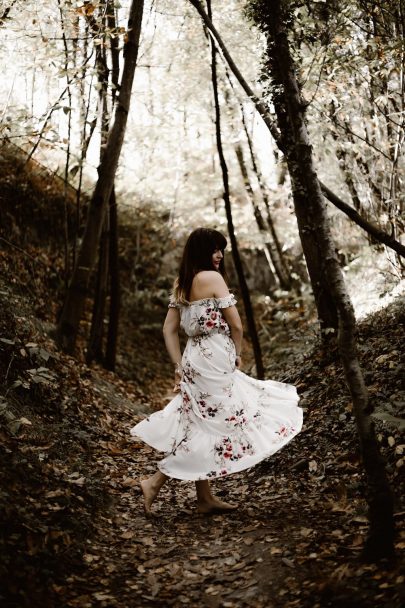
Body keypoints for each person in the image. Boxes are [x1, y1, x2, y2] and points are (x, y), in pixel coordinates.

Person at [130, 227, 303, 516]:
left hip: (194, 359)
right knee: (217, 421)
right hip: (215, 358)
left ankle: (205, 498)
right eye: (214, 249)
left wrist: (177, 366)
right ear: (202, 251)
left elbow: (168, 330)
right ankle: (154, 482)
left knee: (201, 422)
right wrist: (236, 353)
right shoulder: (212, 278)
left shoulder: (182, 282)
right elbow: (236, 324)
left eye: (221, 249)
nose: (220, 255)